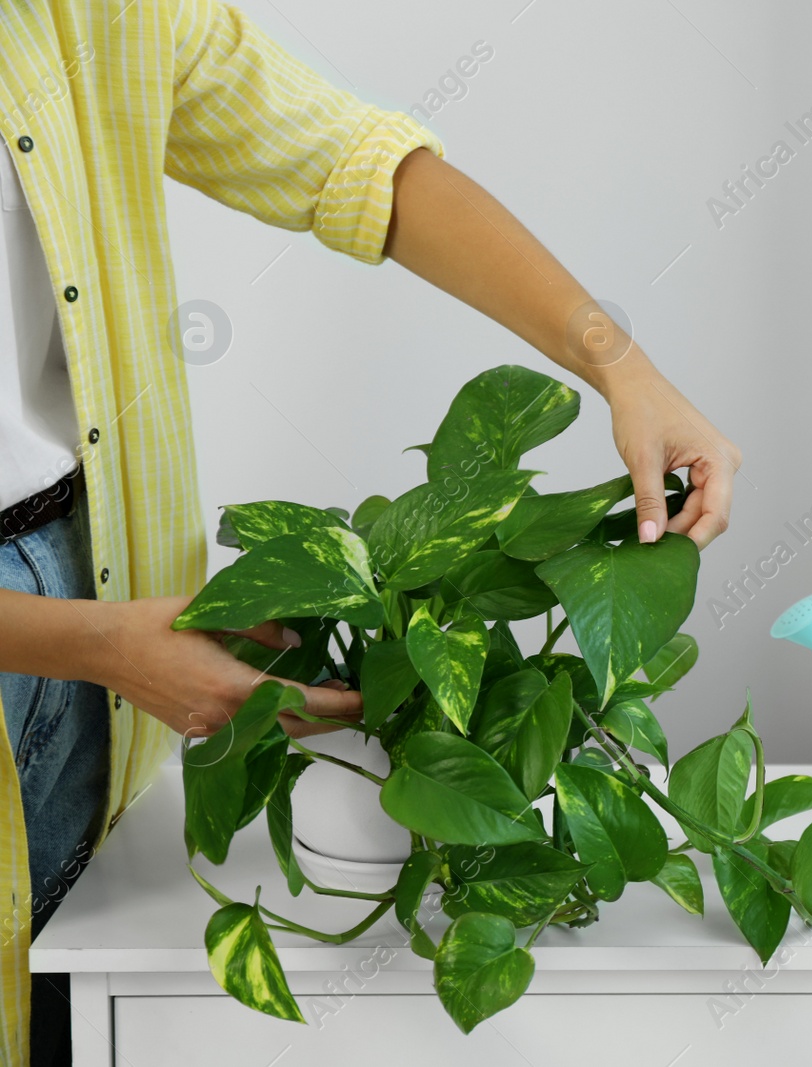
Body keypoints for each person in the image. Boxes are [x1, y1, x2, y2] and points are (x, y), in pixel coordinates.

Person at [0, 1, 739, 1060]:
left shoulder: (92, 14)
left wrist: (620, 365)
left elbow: (352, 162)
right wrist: (101, 645)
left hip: (88, 565)